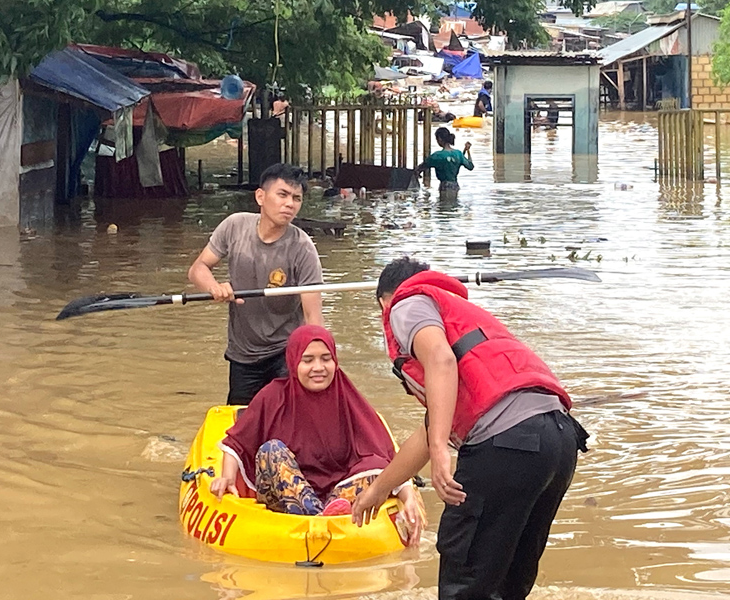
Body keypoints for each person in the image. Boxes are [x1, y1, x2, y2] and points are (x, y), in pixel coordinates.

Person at [352, 257, 590, 600]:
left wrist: (440, 453)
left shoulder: (405, 304)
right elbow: (431, 427)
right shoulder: (458, 315)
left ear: (382, 303)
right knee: (507, 584)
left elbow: (442, 361)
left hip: (507, 445)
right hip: (558, 442)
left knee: (465, 583)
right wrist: (379, 490)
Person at [210, 325, 424, 542]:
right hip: (284, 496)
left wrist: (408, 498)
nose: (318, 367)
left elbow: (385, 456)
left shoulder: (348, 399)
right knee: (271, 450)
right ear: (294, 362)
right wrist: (226, 478)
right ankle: (318, 517)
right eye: (308, 360)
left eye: (325, 358)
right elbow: (236, 443)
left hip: (337, 495)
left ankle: (326, 514)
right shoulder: (272, 396)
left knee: (374, 468)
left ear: (335, 362)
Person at [188, 164, 323, 406]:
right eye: (282, 195)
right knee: (241, 425)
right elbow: (198, 269)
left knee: (286, 422)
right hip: (243, 354)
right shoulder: (234, 226)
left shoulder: (303, 248)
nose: (290, 204)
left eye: (296, 198)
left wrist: (317, 362)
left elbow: (313, 317)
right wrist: (214, 287)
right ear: (260, 196)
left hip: (285, 351)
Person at [415, 127, 474, 193]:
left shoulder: (437, 156)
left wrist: (417, 172)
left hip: (444, 186)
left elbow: (422, 167)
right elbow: (470, 166)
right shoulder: (458, 153)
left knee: (444, 202)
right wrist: (468, 150)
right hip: (455, 186)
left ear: (439, 139)